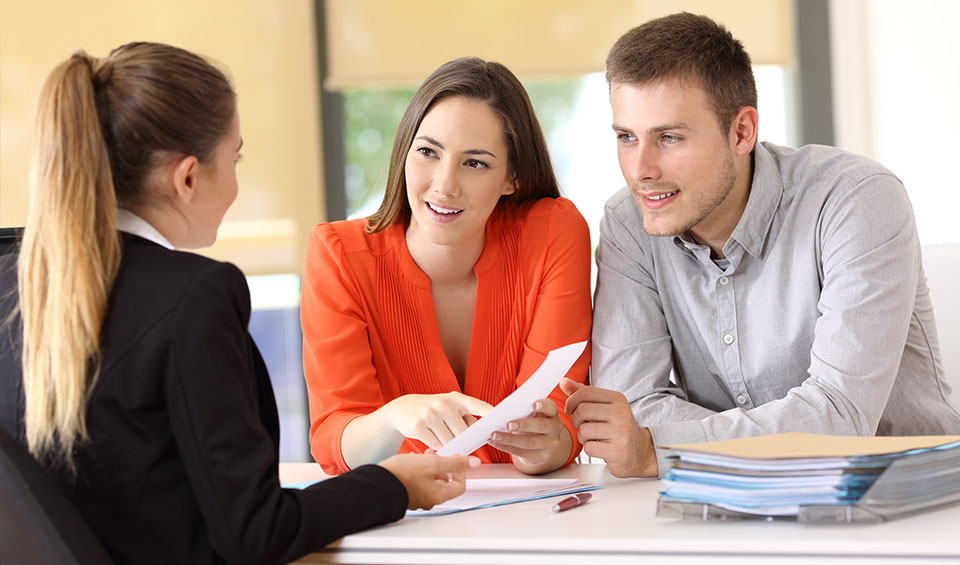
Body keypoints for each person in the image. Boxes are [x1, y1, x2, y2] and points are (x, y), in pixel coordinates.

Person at [0, 42, 478, 565]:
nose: (235, 183)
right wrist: (392, 485)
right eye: (235, 158)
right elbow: (255, 531)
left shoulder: (12, 280)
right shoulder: (193, 297)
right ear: (187, 178)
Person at [561, 12, 960, 479]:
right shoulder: (630, 222)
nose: (639, 171)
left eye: (669, 137)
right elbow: (628, 408)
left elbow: (840, 417)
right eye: (626, 137)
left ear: (742, 132)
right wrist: (687, 444)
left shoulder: (857, 199)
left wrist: (658, 449)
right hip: (723, 498)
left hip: (905, 496)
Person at [301, 57, 592, 476]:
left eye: (475, 163)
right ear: (404, 152)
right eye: (427, 152)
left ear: (512, 178)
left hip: (529, 507)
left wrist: (548, 444)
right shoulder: (338, 255)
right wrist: (393, 417)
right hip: (407, 507)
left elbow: (560, 413)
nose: (444, 185)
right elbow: (335, 440)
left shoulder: (552, 233)